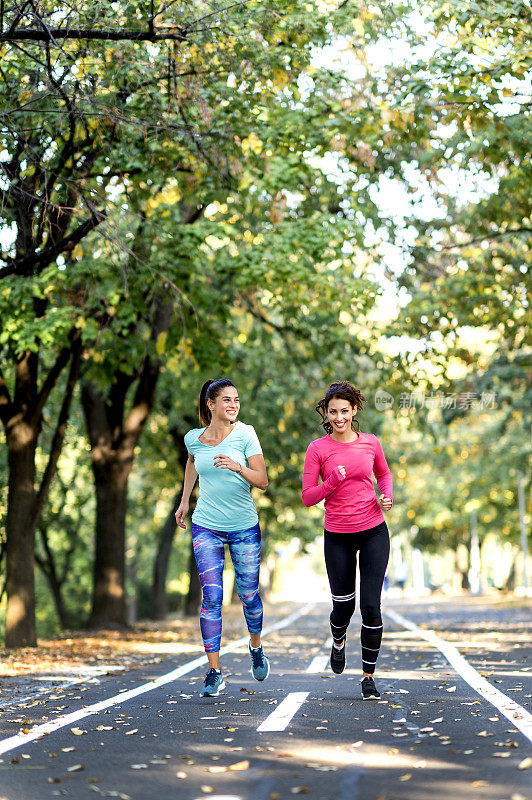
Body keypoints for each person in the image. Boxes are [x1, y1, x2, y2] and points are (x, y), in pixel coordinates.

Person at [175, 378, 270, 697]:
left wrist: (238, 467)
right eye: (226, 400)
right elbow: (192, 464)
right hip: (207, 525)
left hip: (244, 525)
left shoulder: (246, 433)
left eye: (237, 400)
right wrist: (185, 500)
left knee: (248, 595)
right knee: (212, 597)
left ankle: (255, 647)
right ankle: (214, 671)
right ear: (210, 404)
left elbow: (263, 481)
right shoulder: (193, 439)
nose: (233, 405)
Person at [302, 381, 393, 700]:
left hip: (373, 530)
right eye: (333, 411)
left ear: (354, 411)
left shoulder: (370, 443)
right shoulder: (318, 449)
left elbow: (384, 474)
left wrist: (387, 496)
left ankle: (368, 677)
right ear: (326, 414)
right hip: (337, 535)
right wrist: (331, 482)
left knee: (371, 607)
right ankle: (337, 640)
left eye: (345, 411)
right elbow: (307, 497)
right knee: (343, 607)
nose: (339, 417)